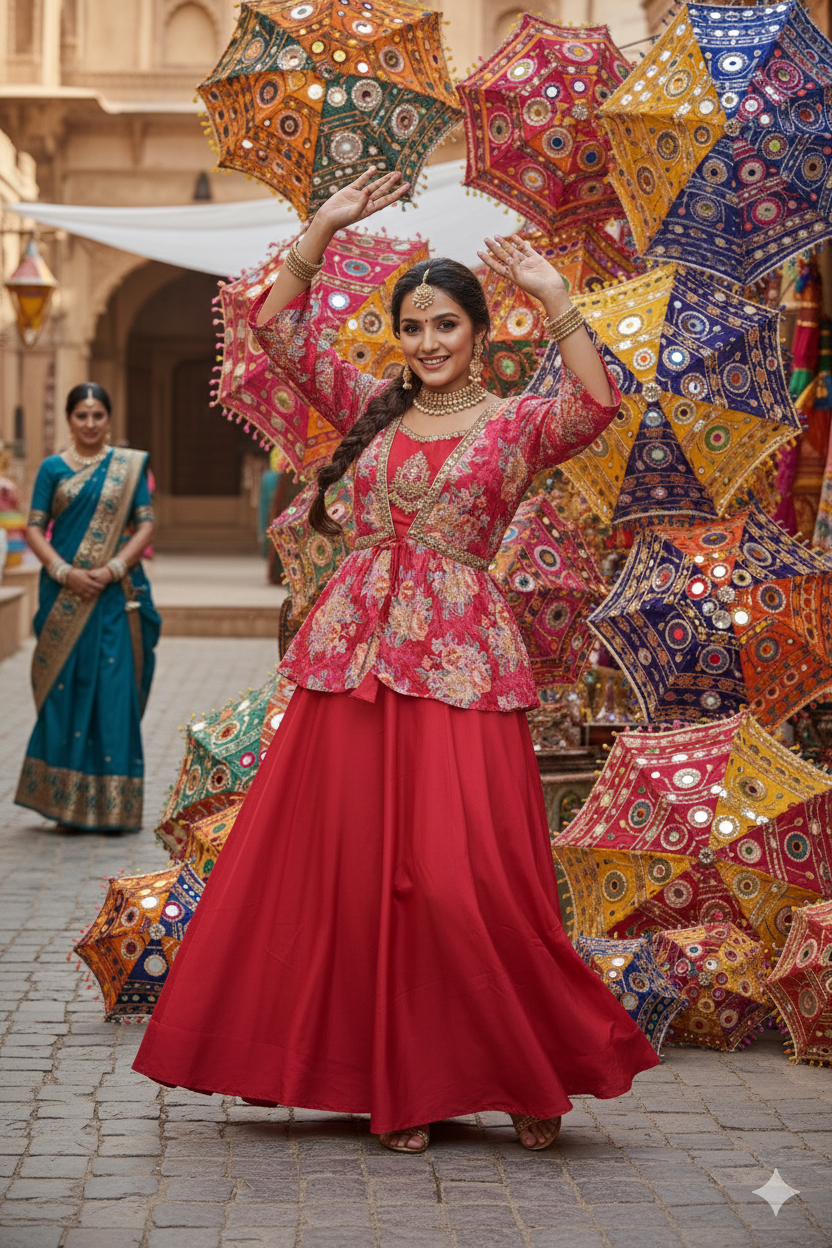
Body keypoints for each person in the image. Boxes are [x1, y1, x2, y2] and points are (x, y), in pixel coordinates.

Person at [134, 169, 658, 1153]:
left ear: (478, 332)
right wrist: (319, 231)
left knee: (473, 884)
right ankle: (391, 1083)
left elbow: (596, 409)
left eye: (444, 326)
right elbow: (275, 334)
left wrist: (556, 302)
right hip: (354, 674)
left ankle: (523, 1068)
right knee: (352, 878)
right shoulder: (369, 411)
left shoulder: (512, 422)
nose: (426, 343)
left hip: (460, 666)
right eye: (412, 326)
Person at [16, 383, 161, 833]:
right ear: (69, 419)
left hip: (114, 596)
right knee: (68, 687)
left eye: (98, 415)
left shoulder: (128, 466)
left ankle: (115, 808)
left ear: (109, 419)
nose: (91, 424)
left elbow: (146, 523)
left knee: (114, 689)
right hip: (64, 594)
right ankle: (64, 806)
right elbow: (35, 528)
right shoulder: (52, 468)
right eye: (82, 415)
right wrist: (64, 573)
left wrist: (115, 567)